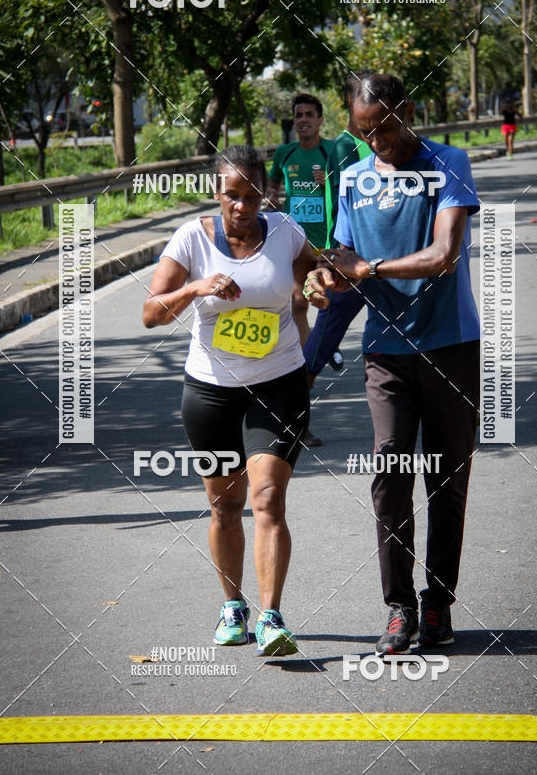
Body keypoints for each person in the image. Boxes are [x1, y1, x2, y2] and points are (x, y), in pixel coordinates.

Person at [304, 73, 480, 656]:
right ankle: (399, 607)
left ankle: (438, 605)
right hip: (386, 353)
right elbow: (342, 253)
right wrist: (324, 277)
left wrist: (371, 270)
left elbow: (444, 255)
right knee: (389, 477)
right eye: (361, 132)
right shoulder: (352, 179)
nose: (373, 141)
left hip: (451, 347)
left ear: (407, 110)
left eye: (381, 127)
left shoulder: (447, 163)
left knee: (447, 481)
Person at [143, 145, 332, 657]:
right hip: (209, 391)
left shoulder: (286, 231)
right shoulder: (191, 239)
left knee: (268, 498)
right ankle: (233, 607)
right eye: (232, 195)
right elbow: (151, 313)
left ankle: (272, 618)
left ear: (265, 194)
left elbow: (316, 272)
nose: (242, 206)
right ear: (217, 193)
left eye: (252, 195)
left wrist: (315, 287)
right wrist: (196, 287)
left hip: (278, 384)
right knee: (225, 507)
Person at [267, 93, 334, 446]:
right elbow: (271, 185)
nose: (304, 120)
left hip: (331, 247)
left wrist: (329, 184)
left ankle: (320, 350)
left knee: (330, 311)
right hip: (296, 246)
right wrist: (271, 196)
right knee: (298, 305)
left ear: (320, 120)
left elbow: (347, 192)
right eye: (298, 115)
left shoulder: (331, 152)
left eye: (310, 114)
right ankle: (305, 363)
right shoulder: (284, 154)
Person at [303, 71, 374, 388]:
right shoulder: (345, 147)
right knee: (320, 344)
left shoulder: (377, 144)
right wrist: (334, 262)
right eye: (373, 98)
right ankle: (287, 423)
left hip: (378, 264)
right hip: (348, 261)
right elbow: (348, 209)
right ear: (352, 101)